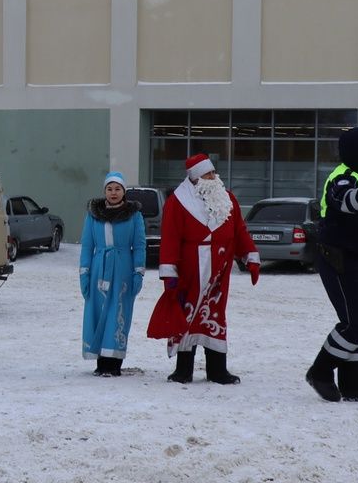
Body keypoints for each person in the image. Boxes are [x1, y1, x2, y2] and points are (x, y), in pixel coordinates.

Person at [157, 154, 259, 384]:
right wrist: (169, 273)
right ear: (194, 178)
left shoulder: (227, 198)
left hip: (219, 270)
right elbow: (170, 239)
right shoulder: (178, 202)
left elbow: (239, 230)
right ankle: (183, 370)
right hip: (191, 269)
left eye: (213, 173)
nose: (212, 177)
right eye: (207, 174)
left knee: (215, 315)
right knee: (188, 315)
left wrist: (250, 256)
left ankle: (217, 369)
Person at [306, 127, 358, 402]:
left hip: (355, 258)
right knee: (357, 323)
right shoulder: (343, 177)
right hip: (338, 257)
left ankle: (353, 383)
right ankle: (320, 372)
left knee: (357, 318)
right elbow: (346, 201)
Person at [79, 171, 146, 377]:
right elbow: (87, 245)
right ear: (104, 191)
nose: (113, 193)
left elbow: (139, 245)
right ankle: (100, 361)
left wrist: (138, 272)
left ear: (124, 192)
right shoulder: (94, 214)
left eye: (117, 189)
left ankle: (114, 362)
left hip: (122, 270)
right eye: (109, 189)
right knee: (98, 313)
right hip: (99, 269)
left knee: (118, 313)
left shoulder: (133, 215)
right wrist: (85, 273)